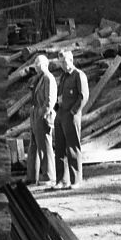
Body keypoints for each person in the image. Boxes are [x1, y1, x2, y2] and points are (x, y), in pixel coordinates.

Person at [53, 48, 90, 187]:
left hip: (71, 116)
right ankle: (61, 180)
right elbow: (60, 95)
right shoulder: (63, 77)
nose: (62, 64)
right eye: (60, 62)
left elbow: (83, 96)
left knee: (73, 148)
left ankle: (76, 180)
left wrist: (73, 112)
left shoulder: (78, 75)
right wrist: (57, 109)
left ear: (71, 60)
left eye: (64, 62)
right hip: (60, 115)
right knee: (60, 149)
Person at [26, 52, 59, 183]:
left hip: (43, 116)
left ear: (45, 65)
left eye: (39, 64)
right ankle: (31, 177)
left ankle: (49, 176)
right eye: (36, 64)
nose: (37, 67)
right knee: (33, 147)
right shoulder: (39, 78)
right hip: (35, 114)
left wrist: (42, 113)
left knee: (45, 146)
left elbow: (50, 100)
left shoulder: (48, 78)